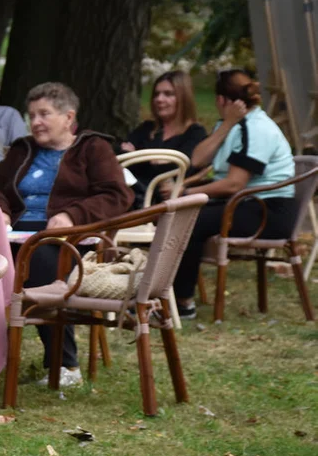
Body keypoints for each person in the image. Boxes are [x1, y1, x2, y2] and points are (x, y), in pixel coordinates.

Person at [0, 82, 133, 387]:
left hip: (71, 242)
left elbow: (116, 195)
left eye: (44, 114)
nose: (36, 122)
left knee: (40, 261)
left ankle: (64, 365)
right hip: (16, 238)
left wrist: (72, 215)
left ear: (69, 117)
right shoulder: (24, 150)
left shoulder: (92, 149)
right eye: (32, 115)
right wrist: (0, 207)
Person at [172, 69, 296, 320]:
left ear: (221, 100)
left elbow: (234, 184)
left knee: (187, 221)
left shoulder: (257, 129)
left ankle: (181, 302)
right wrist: (226, 125)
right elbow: (197, 159)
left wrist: (187, 192)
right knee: (175, 214)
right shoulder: (232, 125)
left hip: (267, 211)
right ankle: (167, 294)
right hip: (243, 204)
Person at [121, 70, 207, 203]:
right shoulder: (147, 128)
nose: (159, 99)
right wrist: (155, 162)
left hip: (163, 203)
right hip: (131, 193)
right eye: (156, 94)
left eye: (168, 94)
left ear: (183, 98)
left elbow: (180, 169)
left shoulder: (195, 133)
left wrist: (138, 156)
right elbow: (122, 155)